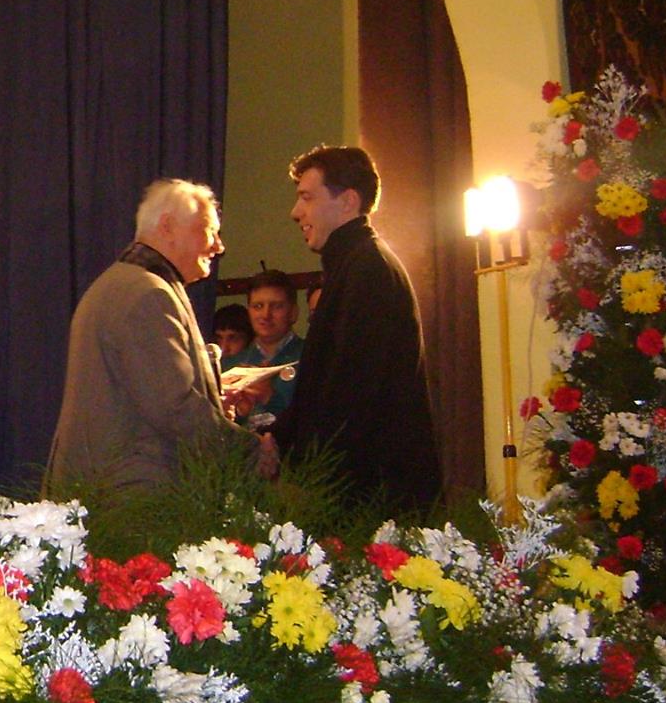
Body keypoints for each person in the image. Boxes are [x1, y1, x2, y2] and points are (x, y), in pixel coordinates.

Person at [271, 143, 441, 513]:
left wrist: (284, 449)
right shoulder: (357, 263)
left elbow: (348, 391)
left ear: (347, 201)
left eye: (307, 197)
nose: (295, 212)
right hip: (365, 488)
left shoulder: (367, 270)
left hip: (371, 497)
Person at [45, 179, 239, 496]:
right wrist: (250, 453)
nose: (219, 246)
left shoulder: (124, 284)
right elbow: (173, 408)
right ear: (167, 226)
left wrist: (213, 399)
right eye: (209, 230)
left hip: (112, 492)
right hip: (131, 500)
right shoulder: (149, 295)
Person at [230, 269, 306, 427]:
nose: (266, 315)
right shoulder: (231, 365)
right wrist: (239, 413)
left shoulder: (312, 358)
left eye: (277, 306)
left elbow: (318, 421)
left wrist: (270, 398)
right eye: (258, 306)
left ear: (293, 313)